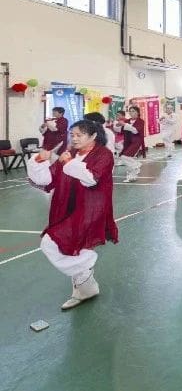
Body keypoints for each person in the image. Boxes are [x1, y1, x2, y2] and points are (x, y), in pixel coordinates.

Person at [27, 120, 118, 310]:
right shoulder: (72, 153)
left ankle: (85, 269)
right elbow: (49, 178)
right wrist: (40, 160)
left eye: (79, 135)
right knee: (71, 246)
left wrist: (68, 162)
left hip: (91, 209)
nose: (74, 138)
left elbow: (91, 179)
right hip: (67, 206)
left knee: (52, 242)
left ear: (93, 135)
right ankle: (86, 288)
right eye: (73, 134)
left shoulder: (104, 154)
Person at [115, 106, 145, 183]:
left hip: (136, 142)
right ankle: (132, 176)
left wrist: (124, 124)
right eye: (130, 111)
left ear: (138, 112)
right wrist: (115, 125)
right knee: (124, 157)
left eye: (133, 111)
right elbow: (120, 131)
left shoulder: (141, 121)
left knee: (125, 157)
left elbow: (135, 131)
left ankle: (136, 165)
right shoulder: (127, 121)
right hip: (128, 142)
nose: (131, 113)